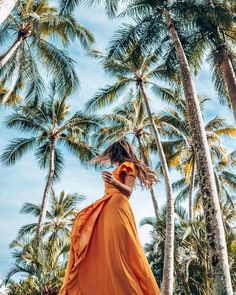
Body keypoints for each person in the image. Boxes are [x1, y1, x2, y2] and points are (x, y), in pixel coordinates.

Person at [59, 140, 160, 295]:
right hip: (109, 209)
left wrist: (114, 182)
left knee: (118, 253)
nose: (111, 159)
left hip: (118, 209)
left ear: (118, 153)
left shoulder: (128, 165)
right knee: (105, 251)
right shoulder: (121, 167)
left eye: (112, 154)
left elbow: (128, 192)